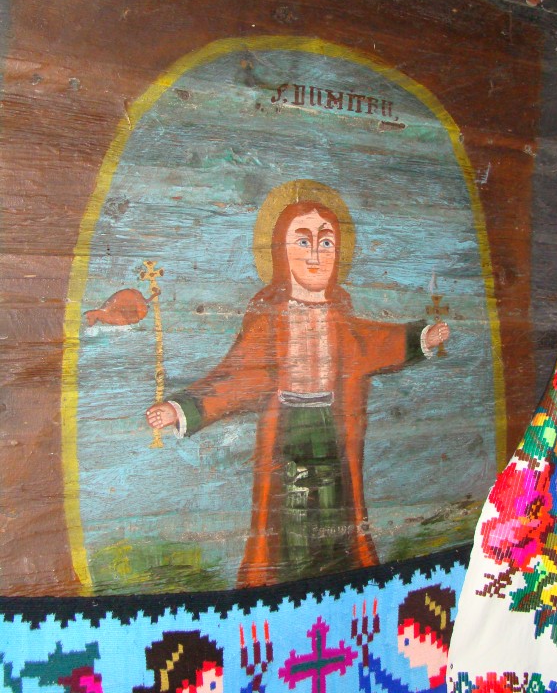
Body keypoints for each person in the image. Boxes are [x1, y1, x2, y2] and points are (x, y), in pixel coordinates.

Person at [146, 180, 450, 587]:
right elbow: (238, 376)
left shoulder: (341, 315)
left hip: (333, 427)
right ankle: (287, 587)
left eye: (326, 243)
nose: (315, 256)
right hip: (287, 428)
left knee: (337, 509)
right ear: (279, 252)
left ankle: (338, 584)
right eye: (303, 242)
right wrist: (180, 408)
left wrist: (420, 338)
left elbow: (376, 342)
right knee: (287, 516)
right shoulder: (269, 315)